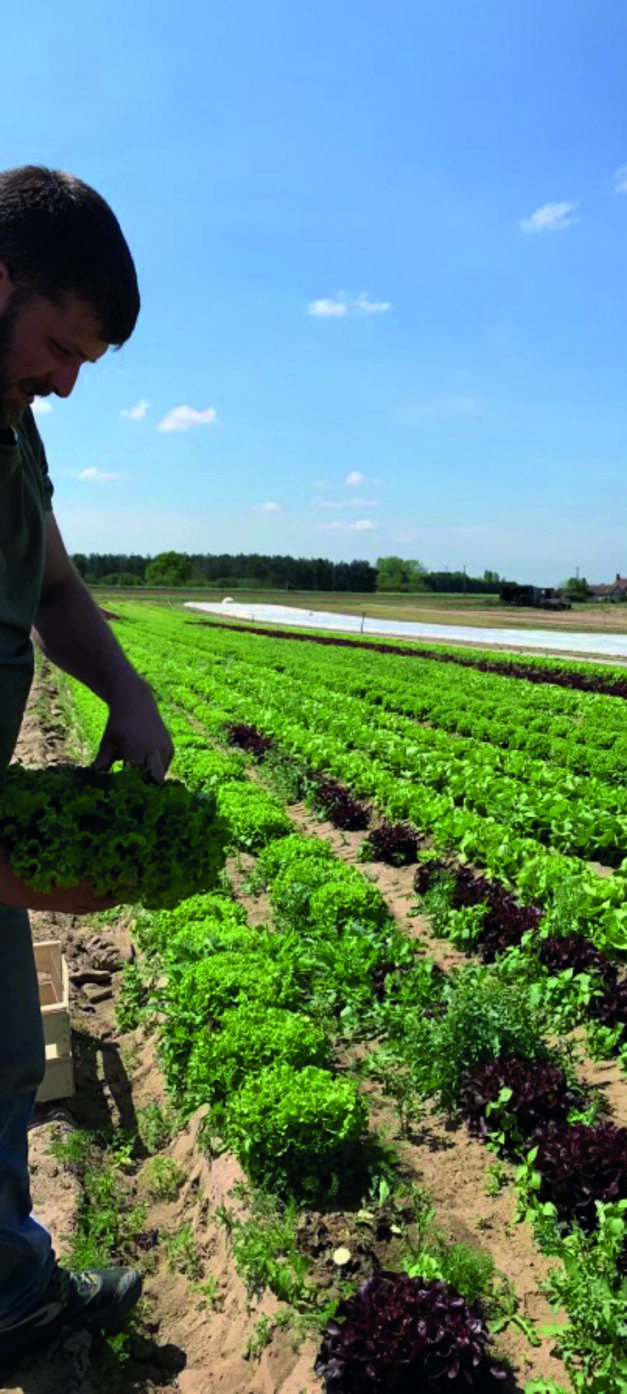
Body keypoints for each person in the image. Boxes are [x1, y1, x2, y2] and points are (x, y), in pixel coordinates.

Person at [0, 165, 174, 1364]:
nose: (65, 380)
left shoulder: (13, 426)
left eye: (83, 364)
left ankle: (10, 1288)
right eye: (58, 344)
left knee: (8, 1055)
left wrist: (126, 684)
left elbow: (53, 585)